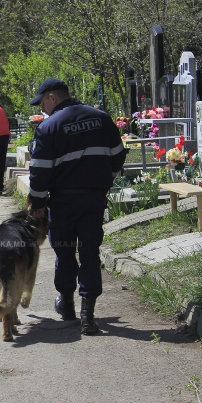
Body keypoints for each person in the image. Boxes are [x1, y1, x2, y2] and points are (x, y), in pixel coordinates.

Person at [26, 78, 126, 335]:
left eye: (42, 104)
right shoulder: (101, 118)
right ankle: (87, 316)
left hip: (63, 201)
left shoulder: (49, 127)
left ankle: (67, 306)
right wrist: (105, 181)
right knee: (90, 253)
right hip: (94, 199)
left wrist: (37, 204)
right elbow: (118, 155)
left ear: (52, 98)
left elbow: (40, 171)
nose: (42, 110)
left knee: (65, 252)